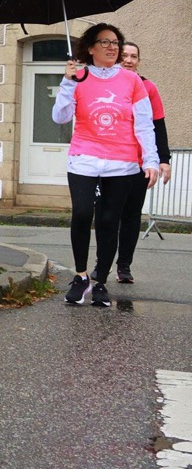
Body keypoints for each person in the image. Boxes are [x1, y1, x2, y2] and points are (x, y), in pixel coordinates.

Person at [52, 24, 159, 307]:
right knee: (82, 213)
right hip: (84, 158)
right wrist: (68, 82)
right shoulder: (77, 77)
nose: (112, 47)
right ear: (90, 48)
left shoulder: (132, 81)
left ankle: (100, 281)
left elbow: (144, 124)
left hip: (122, 162)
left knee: (109, 221)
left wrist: (151, 159)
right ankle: (80, 276)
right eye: (105, 42)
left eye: (116, 42)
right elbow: (60, 117)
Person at [107, 41, 171, 284]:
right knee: (108, 215)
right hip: (111, 161)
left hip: (139, 162)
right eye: (124, 55)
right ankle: (102, 263)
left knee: (132, 215)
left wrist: (163, 159)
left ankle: (124, 266)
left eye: (133, 56)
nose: (128, 60)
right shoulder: (107, 84)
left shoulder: (148, 87)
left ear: (139, 61)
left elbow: (158, 125)